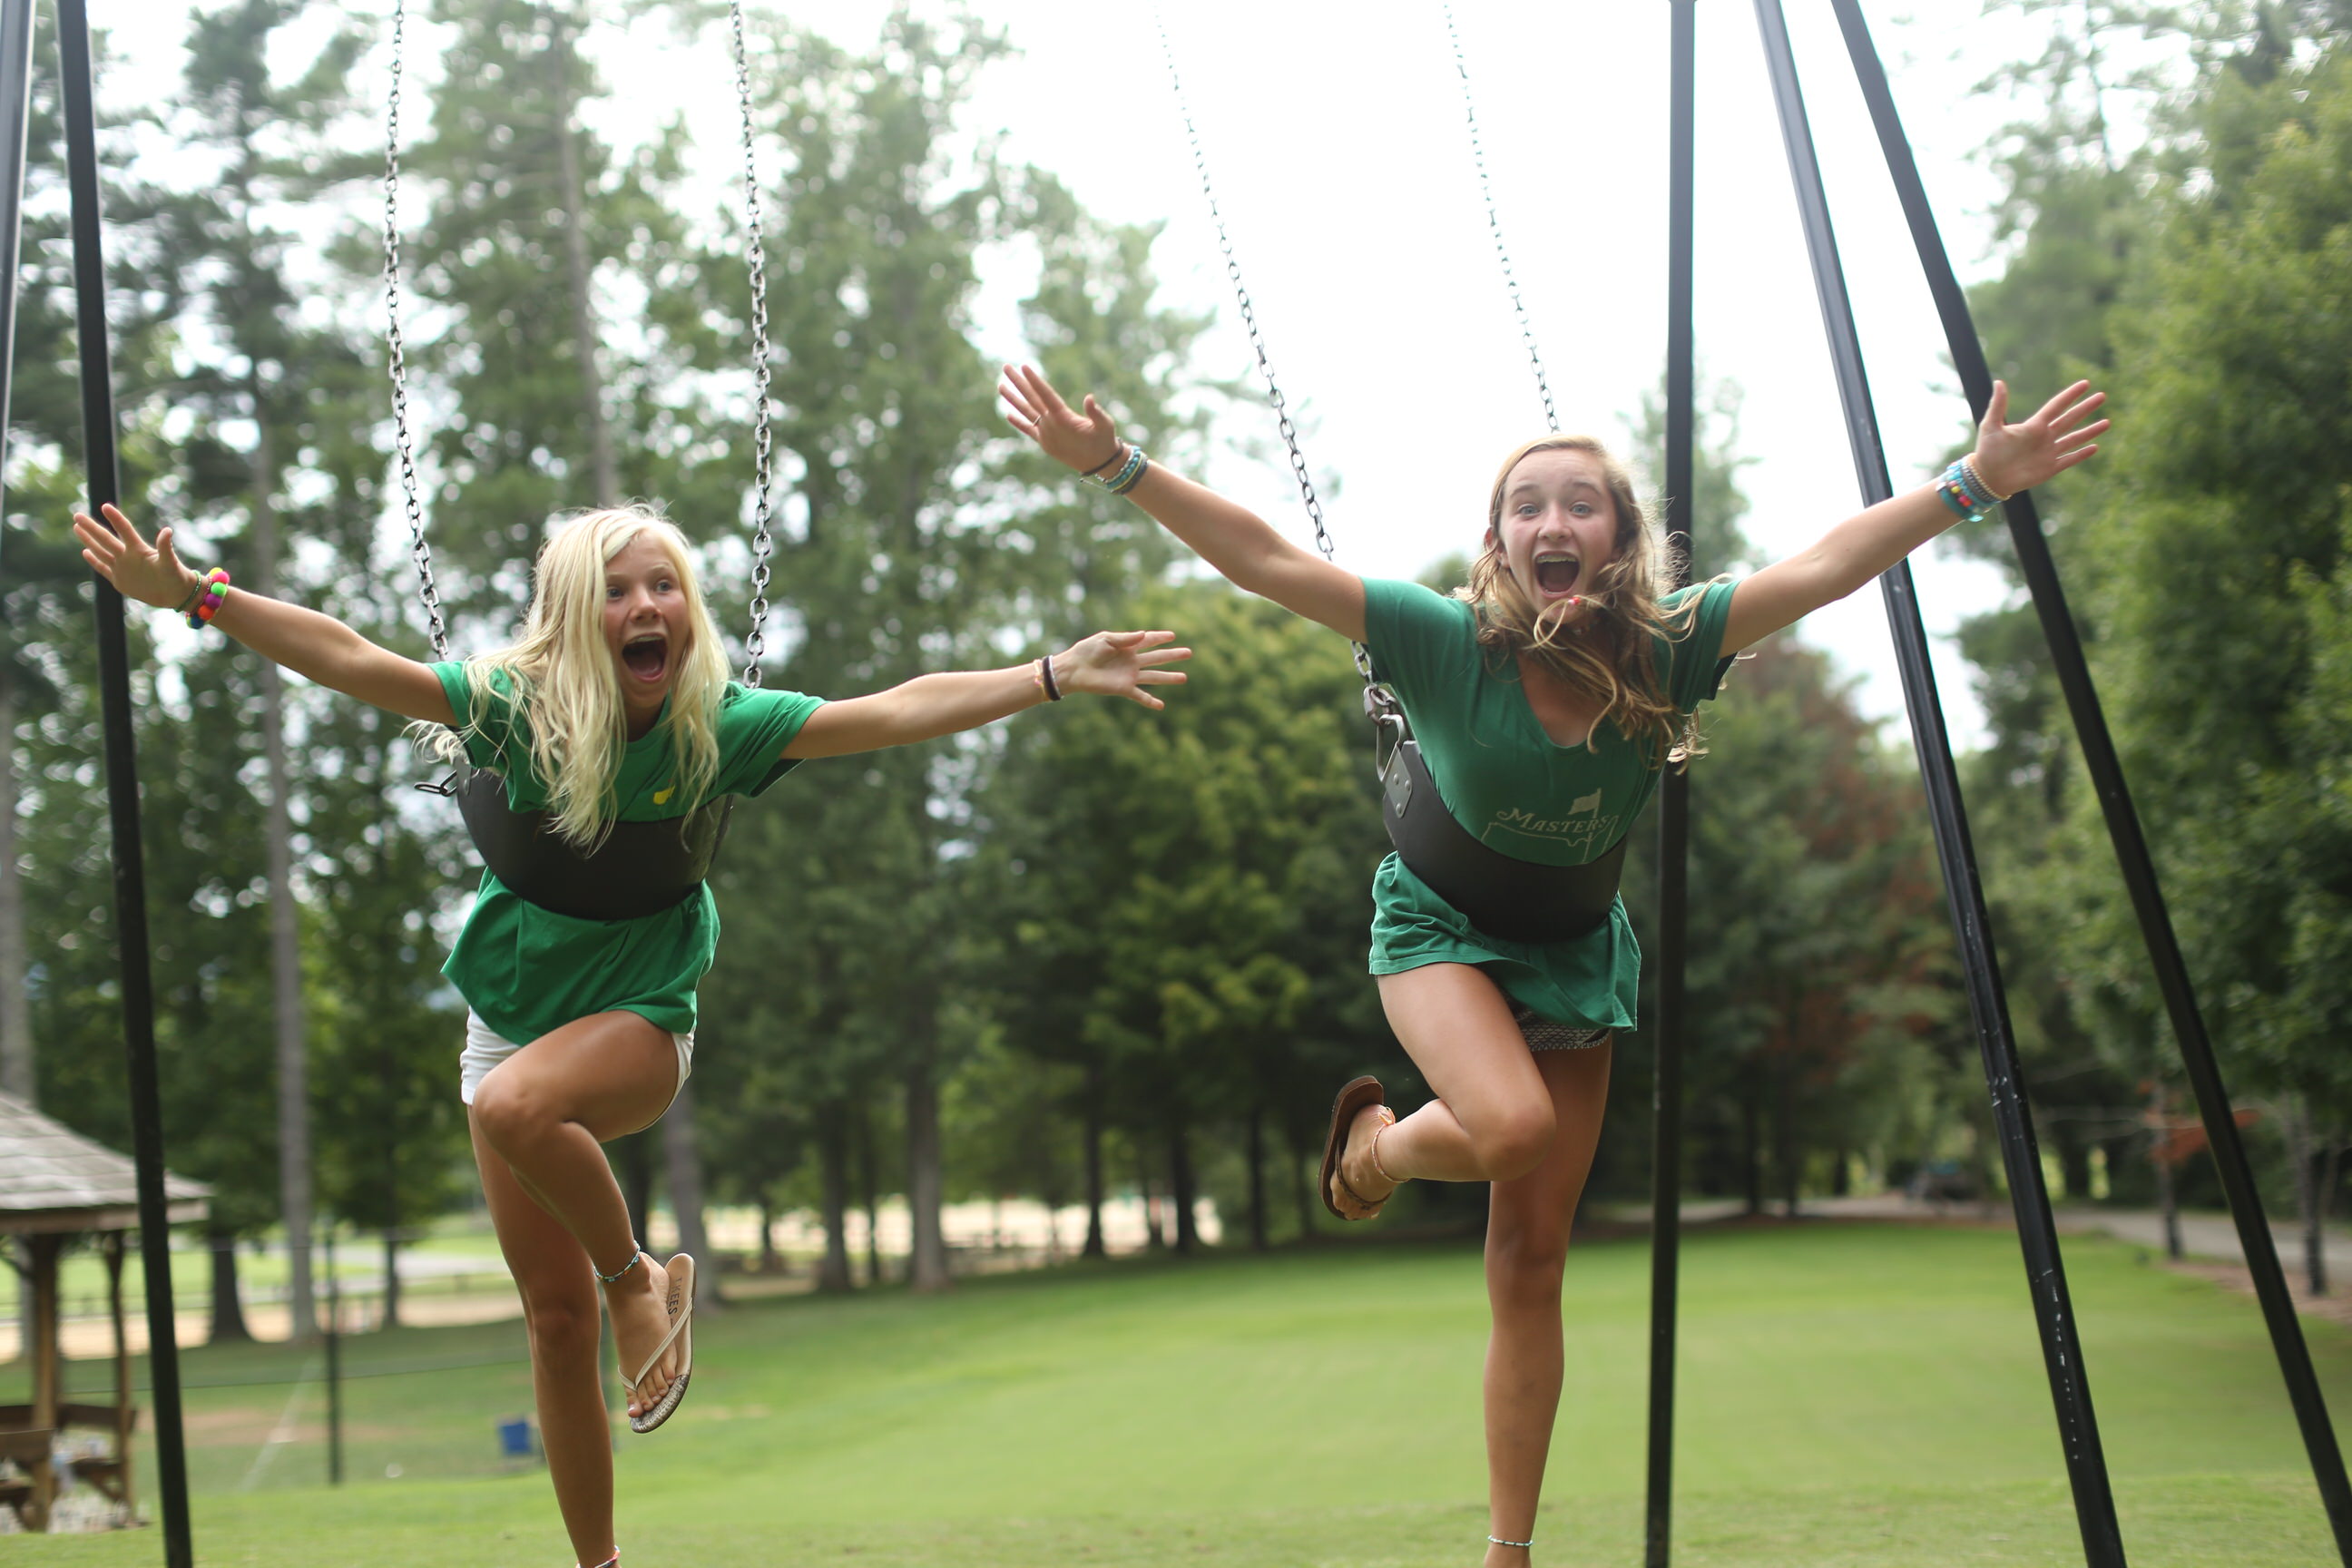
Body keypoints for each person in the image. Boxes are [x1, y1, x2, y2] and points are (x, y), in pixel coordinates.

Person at [999, 364, 2105, 1565]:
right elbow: (1268, 560)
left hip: (1576, 953)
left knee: (1531, 1265)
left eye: (1580, 503)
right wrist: (1116, 465)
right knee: (1513, 1128)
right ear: (1500, 540)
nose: (1553, 522)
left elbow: (1825, 565)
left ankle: (1508, 1551)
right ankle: (1374, 1151)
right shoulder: (1440, 642)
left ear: (1619, 536)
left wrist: (1972, 484)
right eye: (1528, 505)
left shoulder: (1671, 649)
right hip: (1439, 934)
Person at [72, 499, 1190, 1568]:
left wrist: (1049, 675)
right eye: (617, 591)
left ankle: (634, 1278)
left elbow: (894, 708)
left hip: (642, 1021)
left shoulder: (720, 729)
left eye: (665, 586)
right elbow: (357, 660)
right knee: (551, 1325)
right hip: (509, 1019)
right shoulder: (519, 709)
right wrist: (198, 596)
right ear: (572, 618)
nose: (647, 605)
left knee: (524, 1122)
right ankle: (598, 1556)